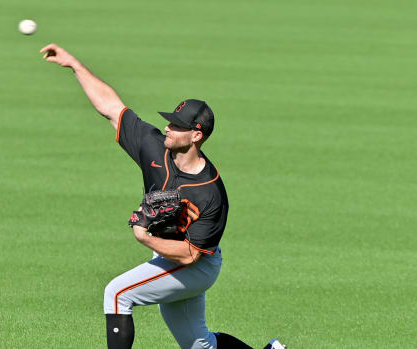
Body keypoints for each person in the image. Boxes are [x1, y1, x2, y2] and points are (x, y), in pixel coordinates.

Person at [40, 43, 286, 349]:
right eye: (170, 121)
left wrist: (144, 238)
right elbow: (113, 109)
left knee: (117, 294)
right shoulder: (154, 147)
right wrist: (74, 64)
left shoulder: (211, 193)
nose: (168, 127)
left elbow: (190, 255)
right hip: (171, 256)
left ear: (196, 135)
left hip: (196, 265)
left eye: (178, 126)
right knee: (198, 345)